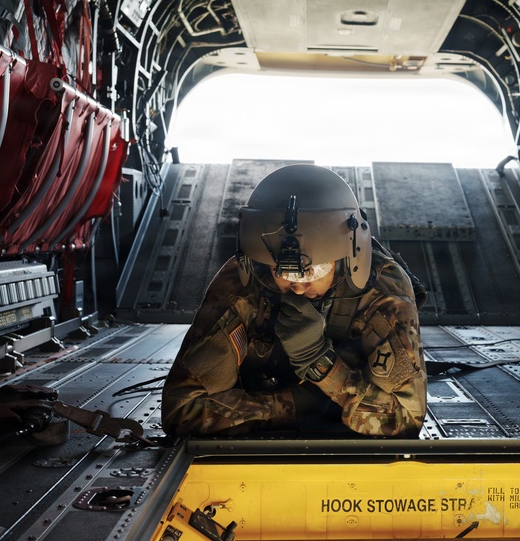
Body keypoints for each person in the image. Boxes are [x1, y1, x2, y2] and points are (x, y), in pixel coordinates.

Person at [161, 164, 427, 438]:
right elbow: (181, 412)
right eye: (282, 271)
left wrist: (320, 363)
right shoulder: (242, 283)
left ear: (349, 259)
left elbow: (403, 419)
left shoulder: (384, 290)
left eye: (315, 270)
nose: (298, 287)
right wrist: (301, 406)